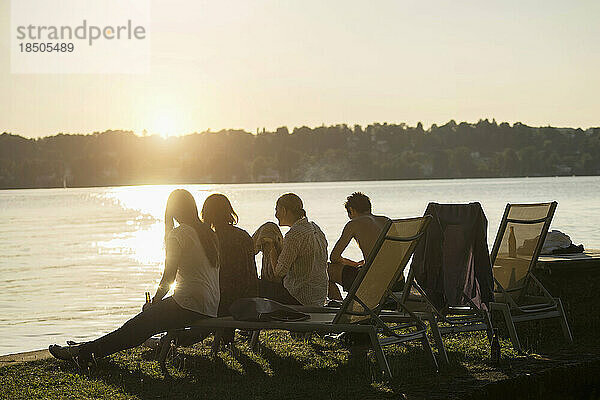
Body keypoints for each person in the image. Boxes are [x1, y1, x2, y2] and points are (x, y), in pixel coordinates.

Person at [48, 189, 220, 365]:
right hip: (210, 306)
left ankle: (81, 353)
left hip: (189, 304)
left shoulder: (178, 234)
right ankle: (87, 347)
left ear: (173, 211)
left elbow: (169, 277)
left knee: (134, 328)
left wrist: (154, 302)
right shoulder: (208, 233)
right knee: (140, 326)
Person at [201, 193, 258, 343]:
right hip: (249, 297)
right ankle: (227, 339)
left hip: (226, 301)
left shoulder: (214, 239)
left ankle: (174, 340)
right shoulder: (244, 235)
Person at [258, 193, 328, 307]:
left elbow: (279, 273)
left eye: (277, 210)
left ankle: (249, 250)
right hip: (319, 295)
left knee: (268, 228)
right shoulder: (316, 228)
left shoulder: (294, 234)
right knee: (269, 228)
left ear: (284, 210)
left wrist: (271, 248)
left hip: (299, 296)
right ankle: (250, 248)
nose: (276, 214)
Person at [327, 192, 391, 300]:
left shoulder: (354, 224)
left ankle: (339, 308)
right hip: (396, 281)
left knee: (326, 269)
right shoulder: (386, 221)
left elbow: (334, 257)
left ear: (351, 210)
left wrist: (354, 264)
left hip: (374, 283)